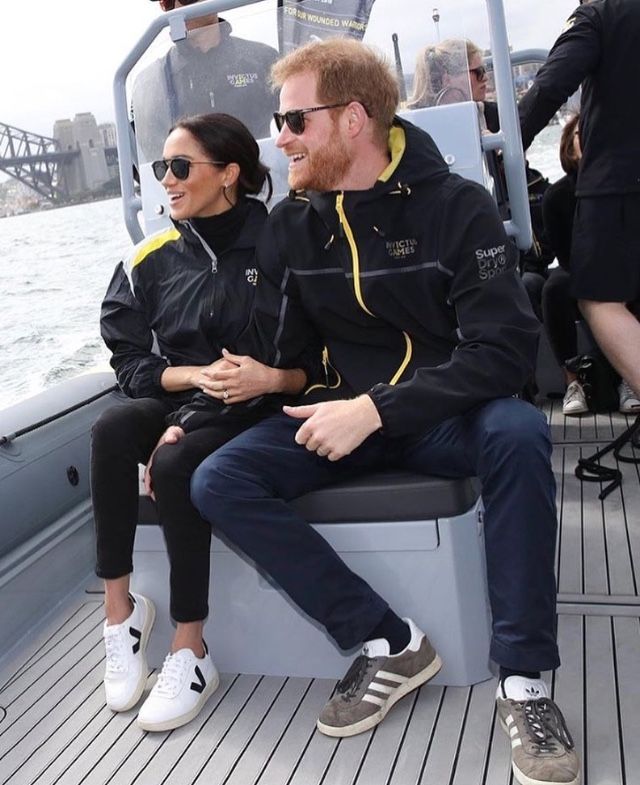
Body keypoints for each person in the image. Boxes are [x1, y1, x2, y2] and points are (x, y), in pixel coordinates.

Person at [190, 38, 580, 785]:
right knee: (216, 479)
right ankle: (386, 639)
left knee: (521, 431)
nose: (281, 138)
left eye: (294, 120)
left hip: (441, 418)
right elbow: (287, 360)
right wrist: (196, 418)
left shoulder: (457, 207)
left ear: (353, 119)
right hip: (342, 417)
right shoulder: (293, 227)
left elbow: (500, 353)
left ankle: (526, 681)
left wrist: (374, 408)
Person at [93, 113, 310, 732]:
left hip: (261, 401)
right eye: (162, 167)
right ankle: (120, 615)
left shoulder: (281, 245)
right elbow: (132, 362)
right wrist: (192, 381)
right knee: (112, 429)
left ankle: (191, 648)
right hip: (192, 389)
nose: (167, 179)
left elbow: (313, 355)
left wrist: (261, 380)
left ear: (230, 174)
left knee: (175, 457)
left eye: (181, 166)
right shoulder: (151, 257)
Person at [519, 0, 640, 414]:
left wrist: (509, 140)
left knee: (600, 299)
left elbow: (552, 85)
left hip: (619, 185)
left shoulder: (601, 15)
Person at [132, 0, 278, 160]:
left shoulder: (264, 60)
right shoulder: (150, 84)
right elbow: (149, 163)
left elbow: (295, 129)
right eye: (166, 2)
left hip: (259, 178)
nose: (176, 7)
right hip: (192, 183)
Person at [541, 114, 588, 415]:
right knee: (554, 287)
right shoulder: (556, 197)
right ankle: (573, 380)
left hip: (622, 267)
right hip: (579, 268)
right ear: (569, 145)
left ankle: (628, 375)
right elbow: (563, 253)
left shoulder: (627, 190)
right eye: (585, 132)